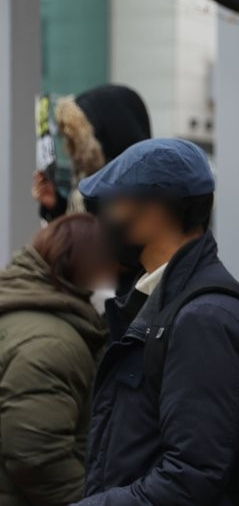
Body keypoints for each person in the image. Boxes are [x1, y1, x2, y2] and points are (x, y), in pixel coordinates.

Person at [73, 138, 239, 504]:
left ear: (153, 211)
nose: (105, 220)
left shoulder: (202, 319)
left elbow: (192, 476)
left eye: (114, 204)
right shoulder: (170, 300)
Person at [0, 214, 114, 505]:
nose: (114, 282)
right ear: (87, 266)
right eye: (110, 270)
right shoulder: (54, 342)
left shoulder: (20, 306)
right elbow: (36, 454)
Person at [32, 84, 151, 221]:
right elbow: (83, 231)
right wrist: (56, 205)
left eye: (80, 141)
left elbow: (92, 234)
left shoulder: (140, 203)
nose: (74, 152)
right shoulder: (95, 195)